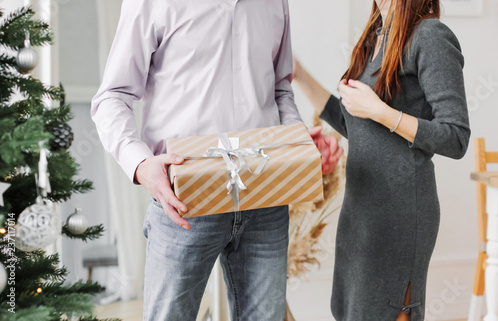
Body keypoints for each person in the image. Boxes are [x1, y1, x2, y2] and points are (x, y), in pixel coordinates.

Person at [91, 0, 342, 320]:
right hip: (183, 199)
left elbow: (280, 89)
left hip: (265, 199)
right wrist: (141, 165)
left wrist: (295, 147)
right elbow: (112, 97)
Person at [293, 0, 470, 320]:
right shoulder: (374, 37)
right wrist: (299, 74)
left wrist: (381, 111)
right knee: (352, 311)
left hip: (400, 210)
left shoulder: (430, 36)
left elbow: (455, 137)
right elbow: (354, 124)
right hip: (360, 210)